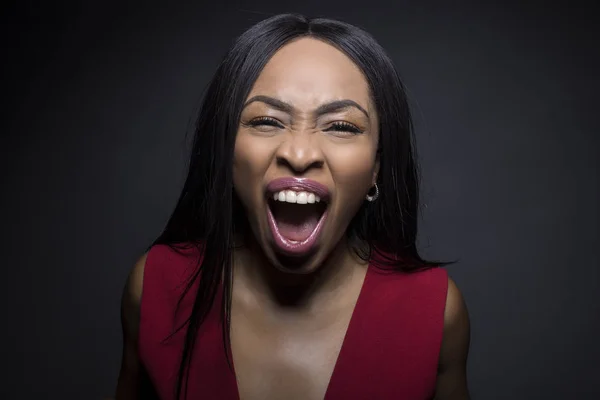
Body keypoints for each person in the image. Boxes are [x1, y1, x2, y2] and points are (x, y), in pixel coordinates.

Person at [115, 13, 470, 400]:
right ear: (226, 151)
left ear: (376, 169)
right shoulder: (156, 288)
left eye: (341, 126)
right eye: (267, 120)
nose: (299, 154)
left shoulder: (435, 313)